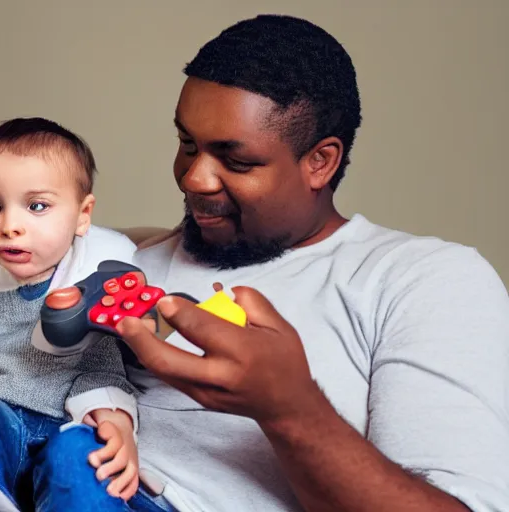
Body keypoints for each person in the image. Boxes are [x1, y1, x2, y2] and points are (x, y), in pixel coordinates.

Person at [48, 14, 509, 512]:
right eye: (186, 144)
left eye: (237, 161)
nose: (194, 178)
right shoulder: (117, 258)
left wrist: (290, 410)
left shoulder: (422, 280)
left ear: (320, 162)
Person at [0, 117, 141, 511]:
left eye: (37, 206)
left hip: (68, 421)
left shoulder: (92, 274)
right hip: (2, 422)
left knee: (83, 456)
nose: (10, 225)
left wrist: (115, 420)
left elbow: (102, 367)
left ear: (82, 214)